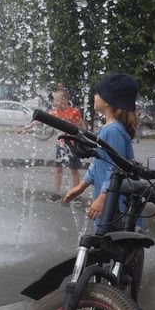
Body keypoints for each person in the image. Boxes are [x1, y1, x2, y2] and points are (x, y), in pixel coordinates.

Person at [63, 73, 138, 232]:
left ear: (108, 100)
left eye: (98, 93)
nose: (94, 96)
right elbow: (100, 162)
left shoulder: (113, 131)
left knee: (112, 245)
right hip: (110, 202)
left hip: (114, 206)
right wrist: (82, 186)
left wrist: (103, 199)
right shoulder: (109, 128)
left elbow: (116, 169)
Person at [48, 86, 85, 201]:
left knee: (74, 170)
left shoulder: (74, 112)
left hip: (73, 145)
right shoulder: (54, 112)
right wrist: (26, 127)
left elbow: (82, 125)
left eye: (57, 99)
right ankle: (57, 193)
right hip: (61, 144)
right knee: (59, 169)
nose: (54, 102)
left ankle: (76, 194)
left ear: (64, 100)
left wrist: (84, 137)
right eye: (54, 100)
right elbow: (40, 119)